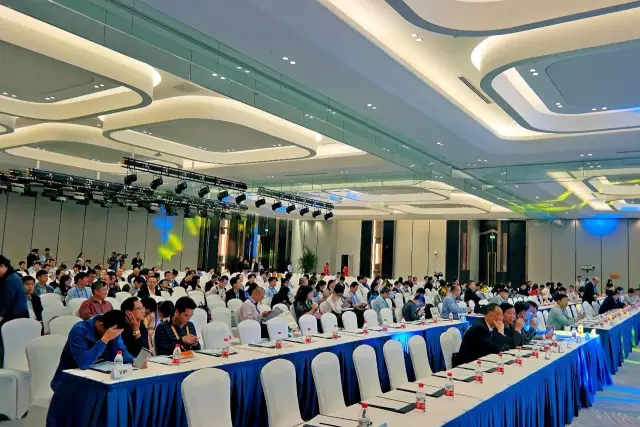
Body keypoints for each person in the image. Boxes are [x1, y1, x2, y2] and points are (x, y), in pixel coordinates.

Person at [51, 310, 140, 391]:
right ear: (100, 325)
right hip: (70, 382)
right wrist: (105, 339)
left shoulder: (114, 329)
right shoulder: (79, 330)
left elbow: (120, 351)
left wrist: (133, 360)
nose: (114, 337)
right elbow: (83, 363)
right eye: (112, 335)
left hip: (99, 378)